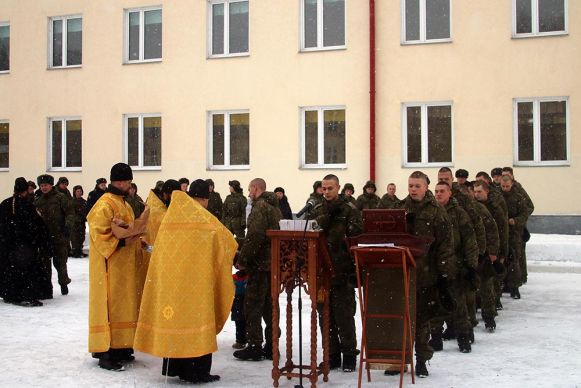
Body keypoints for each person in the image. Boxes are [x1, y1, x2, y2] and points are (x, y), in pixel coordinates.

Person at [134, 179, 236, 383]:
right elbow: (227, 242)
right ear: (205, 199)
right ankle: (197, 371)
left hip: (174, 284)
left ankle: (176, 367)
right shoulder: (205, 220)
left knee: (176, 322)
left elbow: (162, 249)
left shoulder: (172, 216)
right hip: (196, 283)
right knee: (197, 322)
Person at [87, 163, 149, 371]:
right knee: (111, 307)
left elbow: (129, 227)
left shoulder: (124, 203)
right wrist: (122, 240)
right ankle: (106, 351)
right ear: (120, 182)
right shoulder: (104, 204)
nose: (130, 186)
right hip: (110, 269)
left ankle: (121, 346)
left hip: (124, 268)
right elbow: (99, 236)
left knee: (124, 305)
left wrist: (136, 237)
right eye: (129, 182)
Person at [394, 171, 454, 377]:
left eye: (417, 186)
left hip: (426, 274)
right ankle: (400, 360)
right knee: (400, 319)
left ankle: (421, 360)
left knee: (421, 320)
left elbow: (445, 244)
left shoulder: (436, 211)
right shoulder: (399, 208)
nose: (413, 189)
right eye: (410, 185)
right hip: (402, 273)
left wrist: (444, 274)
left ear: (426, 187)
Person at [311, 174, 363, 372]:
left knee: (344, 315)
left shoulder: (349, 210)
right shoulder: (317, 209)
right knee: (325, 316)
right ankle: (331, 355)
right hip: (322, 271)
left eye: (330, 188)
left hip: (343, 271)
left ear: (338, 188)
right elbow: (311, 231)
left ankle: (349, 354)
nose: (326, 192)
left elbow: (356, 237)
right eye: (324, 188)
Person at [233, 178, 282, 361]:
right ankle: (271, 346)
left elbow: (254, 236)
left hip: (260, 264)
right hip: (272, 263)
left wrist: (243, 259)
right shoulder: (274, 207)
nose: (248, 194)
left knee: (253, 305)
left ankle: (254, 345)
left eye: (249, 189)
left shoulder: (260, 207)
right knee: (270, 306)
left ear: (255, 188)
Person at [431, 181, 478, 354]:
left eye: (442, 191)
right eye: (436, 191)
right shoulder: (431, 213)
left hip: (455, 267)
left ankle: (464, 338)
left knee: (459, 306)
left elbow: (470, 241)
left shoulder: (459, 214)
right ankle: (435, 338)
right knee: (435, 306)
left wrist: (471, 266)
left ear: (450, 193)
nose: (438, 194)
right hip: (434, 268)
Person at [0, 178, 51, 307]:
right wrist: (42, 242)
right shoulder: (27, 206)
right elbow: (37, 226)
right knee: (27, 271)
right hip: (24, 247)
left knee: (9, 270)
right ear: (25, 191)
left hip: (8, 246)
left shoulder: (5, 203)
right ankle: (26, 295)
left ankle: (10, 293)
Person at [463, 182, 504, 332]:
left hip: (484, 254)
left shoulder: (480, 209)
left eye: (476, 192)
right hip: (468, 255)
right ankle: (471, 319)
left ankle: (489, 316)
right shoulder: (462, 209)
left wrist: (493, 252)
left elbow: (493, 231)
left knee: (486, 287)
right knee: (470, 289)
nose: (475, 194)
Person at [34, 174, 75, 296]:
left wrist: (68, 226)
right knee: (44, 264)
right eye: (41, 186)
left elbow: (70, 212)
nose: (44, 188)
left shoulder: (60, 198)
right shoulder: (38, 201)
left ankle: (63, 284)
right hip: (45, 238)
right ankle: (47, 288)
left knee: (60, 263)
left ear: (51, 185)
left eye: (46, 185)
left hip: (59, 236)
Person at [474, 179, 509, 311]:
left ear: (487, 192)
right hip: (479, 250)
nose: (477, 194)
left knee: (490, 282)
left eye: (480, 192)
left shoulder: (495, 208)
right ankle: (480, 305)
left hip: (492, 249)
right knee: (480, 282)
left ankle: (491, 308)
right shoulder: (473, 207)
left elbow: (501, 231)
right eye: (475, 192)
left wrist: (500, 252)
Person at [500, 175, 533, 299]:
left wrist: (516, 221)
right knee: (502, 260)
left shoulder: (518, 197)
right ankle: (502, 285)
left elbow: (525, 213)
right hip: (502, 232)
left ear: (511, 184)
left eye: (507, 186)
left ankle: (515, 287)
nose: (505, 188)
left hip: (514, 233)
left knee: (514, 260)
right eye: (503, 186)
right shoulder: (497, 197)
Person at [231, 267, 249, 349]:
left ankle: (240, 341)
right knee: (244, 322)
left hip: (238, 301)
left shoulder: (234, 277)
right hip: (243, 301)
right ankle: (244, 340)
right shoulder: (249, 277)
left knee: (240, 322)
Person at [71, 185, 87, 258]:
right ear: (74, 192)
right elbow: (71, 213)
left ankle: (80, 250)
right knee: (74, 238)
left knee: (81, 237)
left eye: (80, 191)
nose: (79, 192)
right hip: (74, 223)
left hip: (82, 223)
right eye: (77, 191)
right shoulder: (71, 202)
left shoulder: (84, 202)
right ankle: (75, 252)